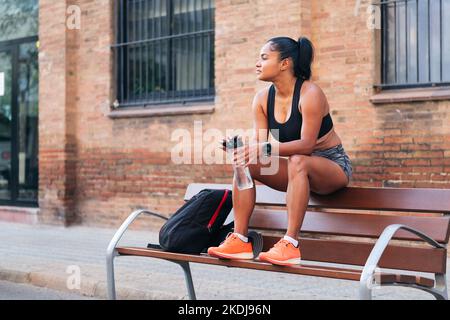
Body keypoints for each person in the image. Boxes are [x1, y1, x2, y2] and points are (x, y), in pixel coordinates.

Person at [208, 36, 353, 266]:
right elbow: (260, 150)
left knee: (298, 160)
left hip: (332, 166)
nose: (258, 63)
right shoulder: (262, 99)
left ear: (284, 63)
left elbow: (306, 145)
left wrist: (261, 148)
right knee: (244, 162)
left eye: (264, 58)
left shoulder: (310, 94)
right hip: (298, 171)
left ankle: (291, 244)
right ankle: (240, 239)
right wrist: (242, 150)